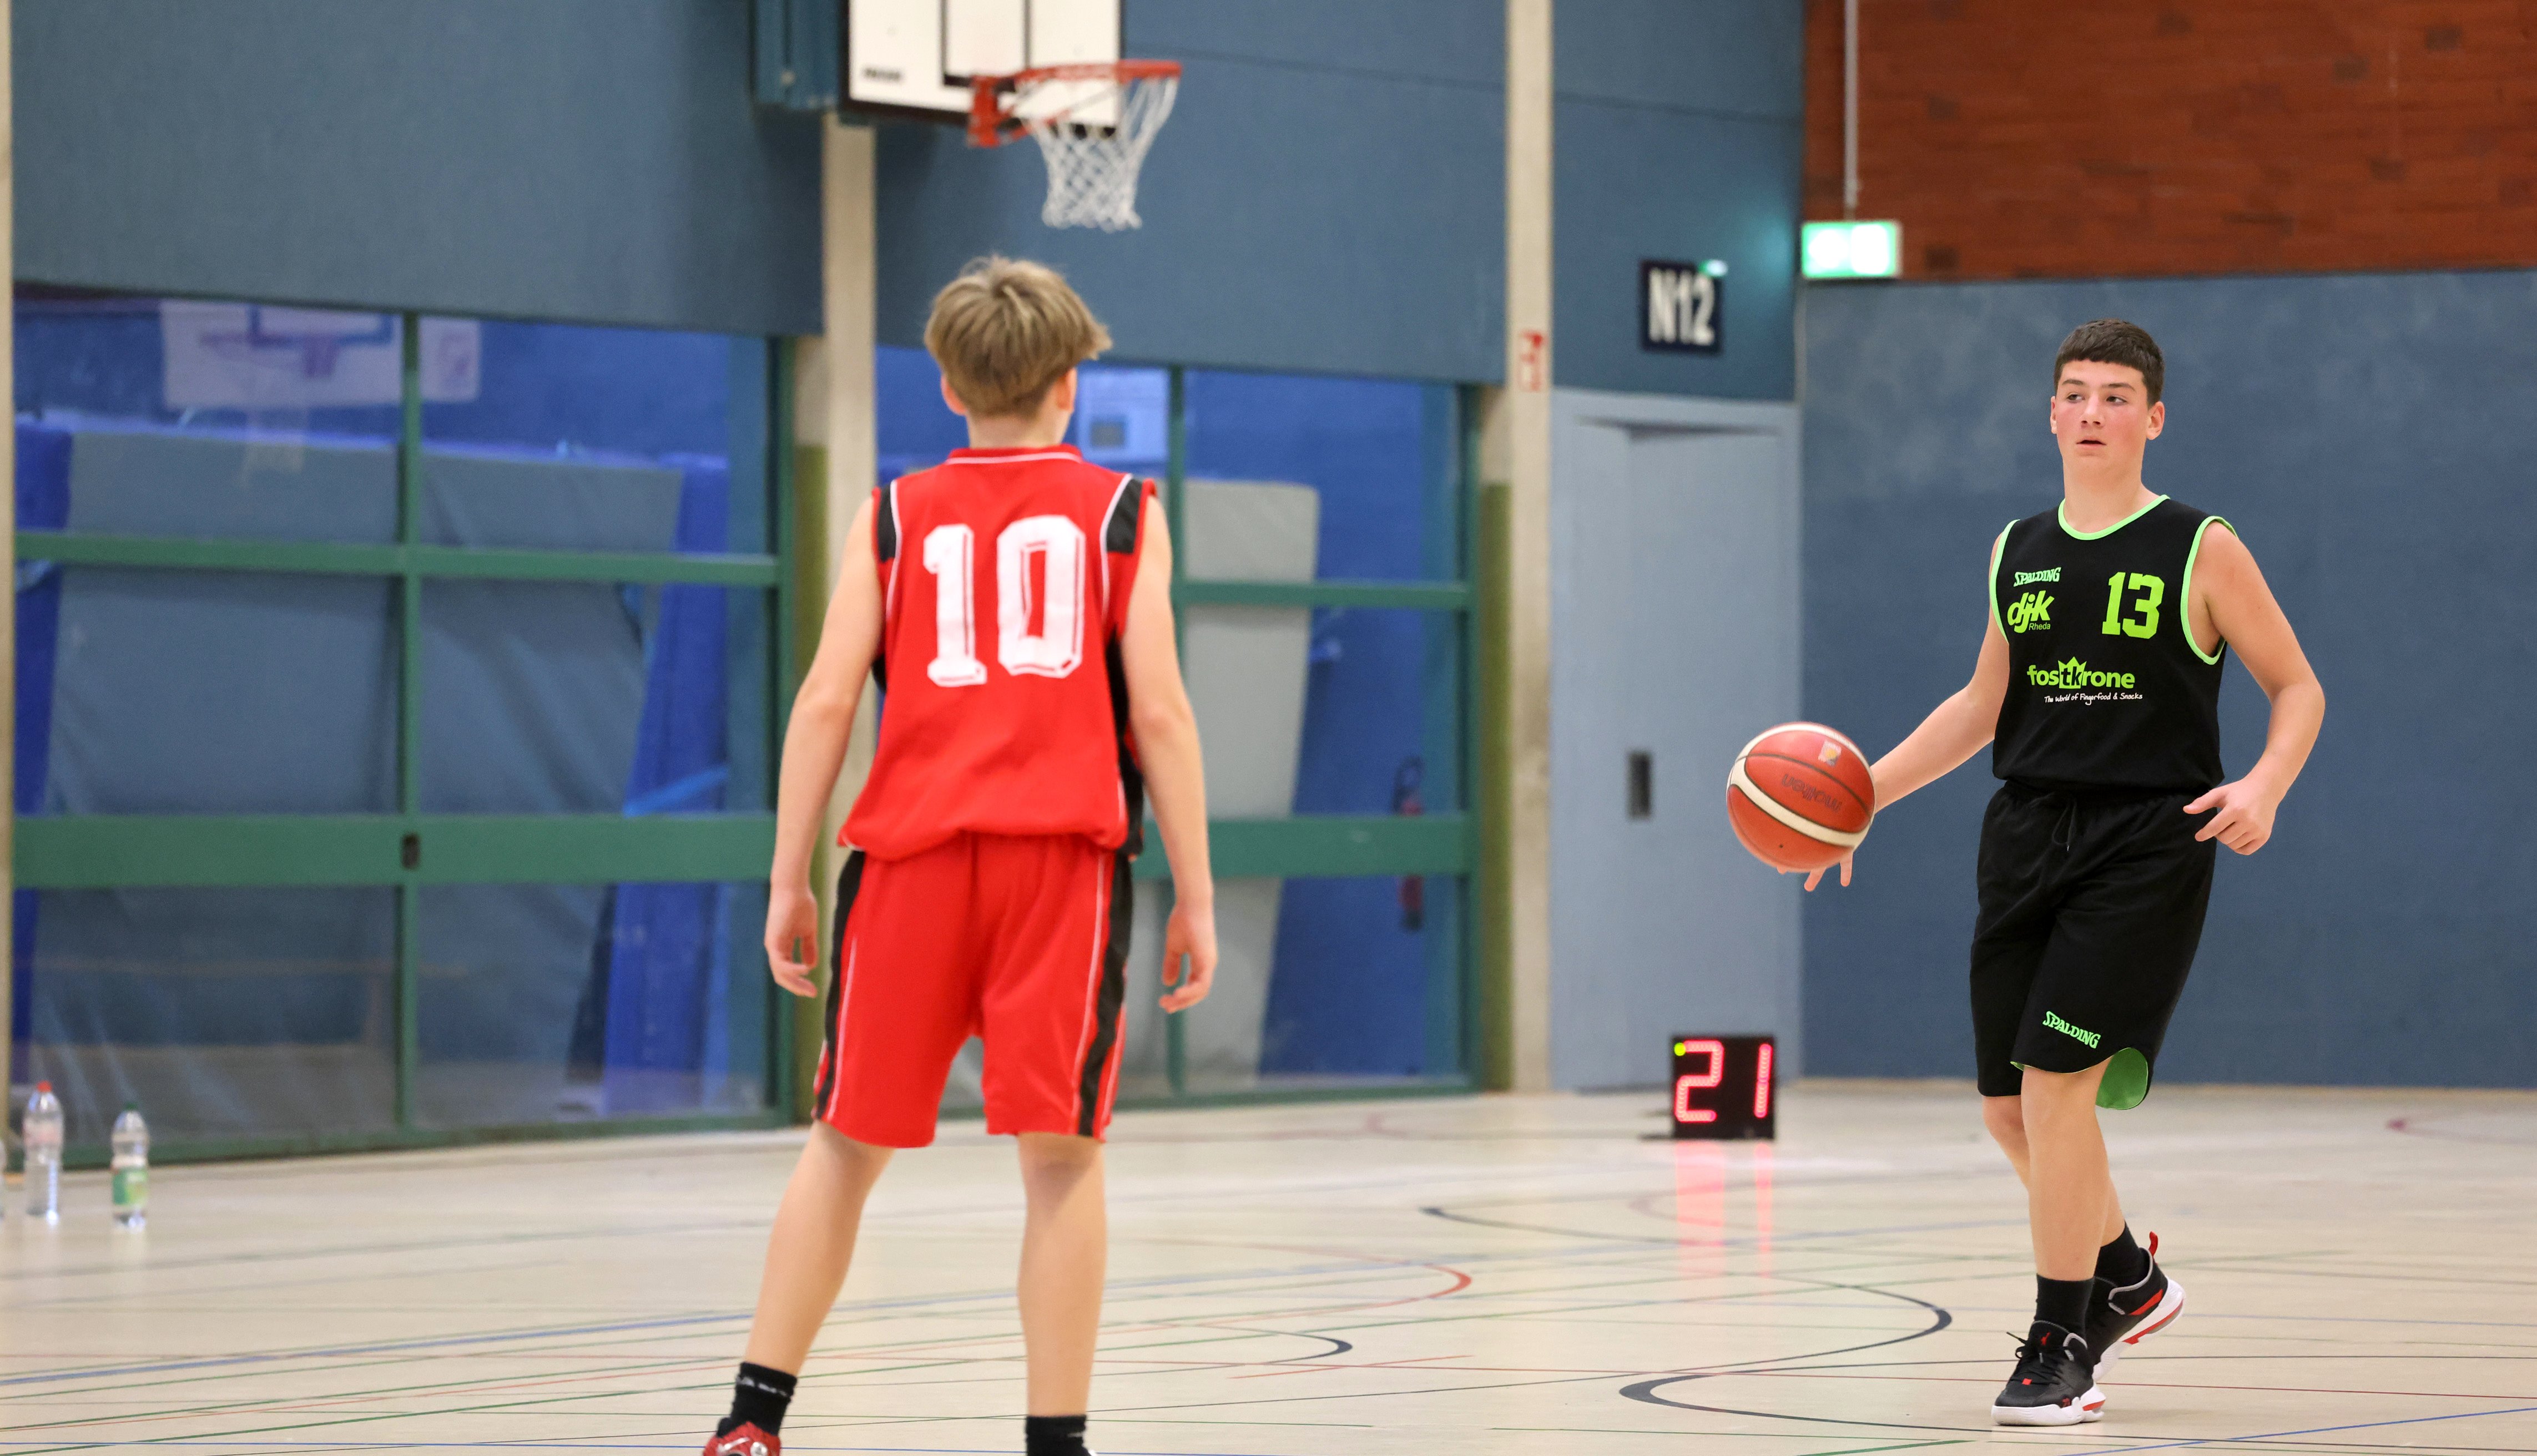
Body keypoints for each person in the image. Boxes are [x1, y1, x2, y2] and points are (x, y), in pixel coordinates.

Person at [704, 256, 1218, 1456]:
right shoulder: (1124, 513)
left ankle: (749, 1423)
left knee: (843, 1145)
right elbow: (1160, 714)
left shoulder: (890, 516)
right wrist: (1197, 892)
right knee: (1062, 1165)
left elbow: (826, 701)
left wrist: (786, 875)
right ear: (1070, 383)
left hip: (909, 864)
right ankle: (1056, 1444)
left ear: (946, 385)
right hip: (1062, 870)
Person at [1806, 319, 2323, 1425]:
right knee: (2010, 1113)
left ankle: (2062, 1339)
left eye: (2115, 395)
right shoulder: (2020, 549)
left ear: (2153, 418)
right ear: (2050, 414)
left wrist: (2266, 785)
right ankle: (2128, 1277)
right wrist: (1862, 801)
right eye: (2076, 393)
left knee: (2055, 1093)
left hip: (2145, 844)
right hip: (2026, 834)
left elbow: (2298, 686)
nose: (2093, 412)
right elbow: (1980, 705)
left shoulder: (2198, 546)